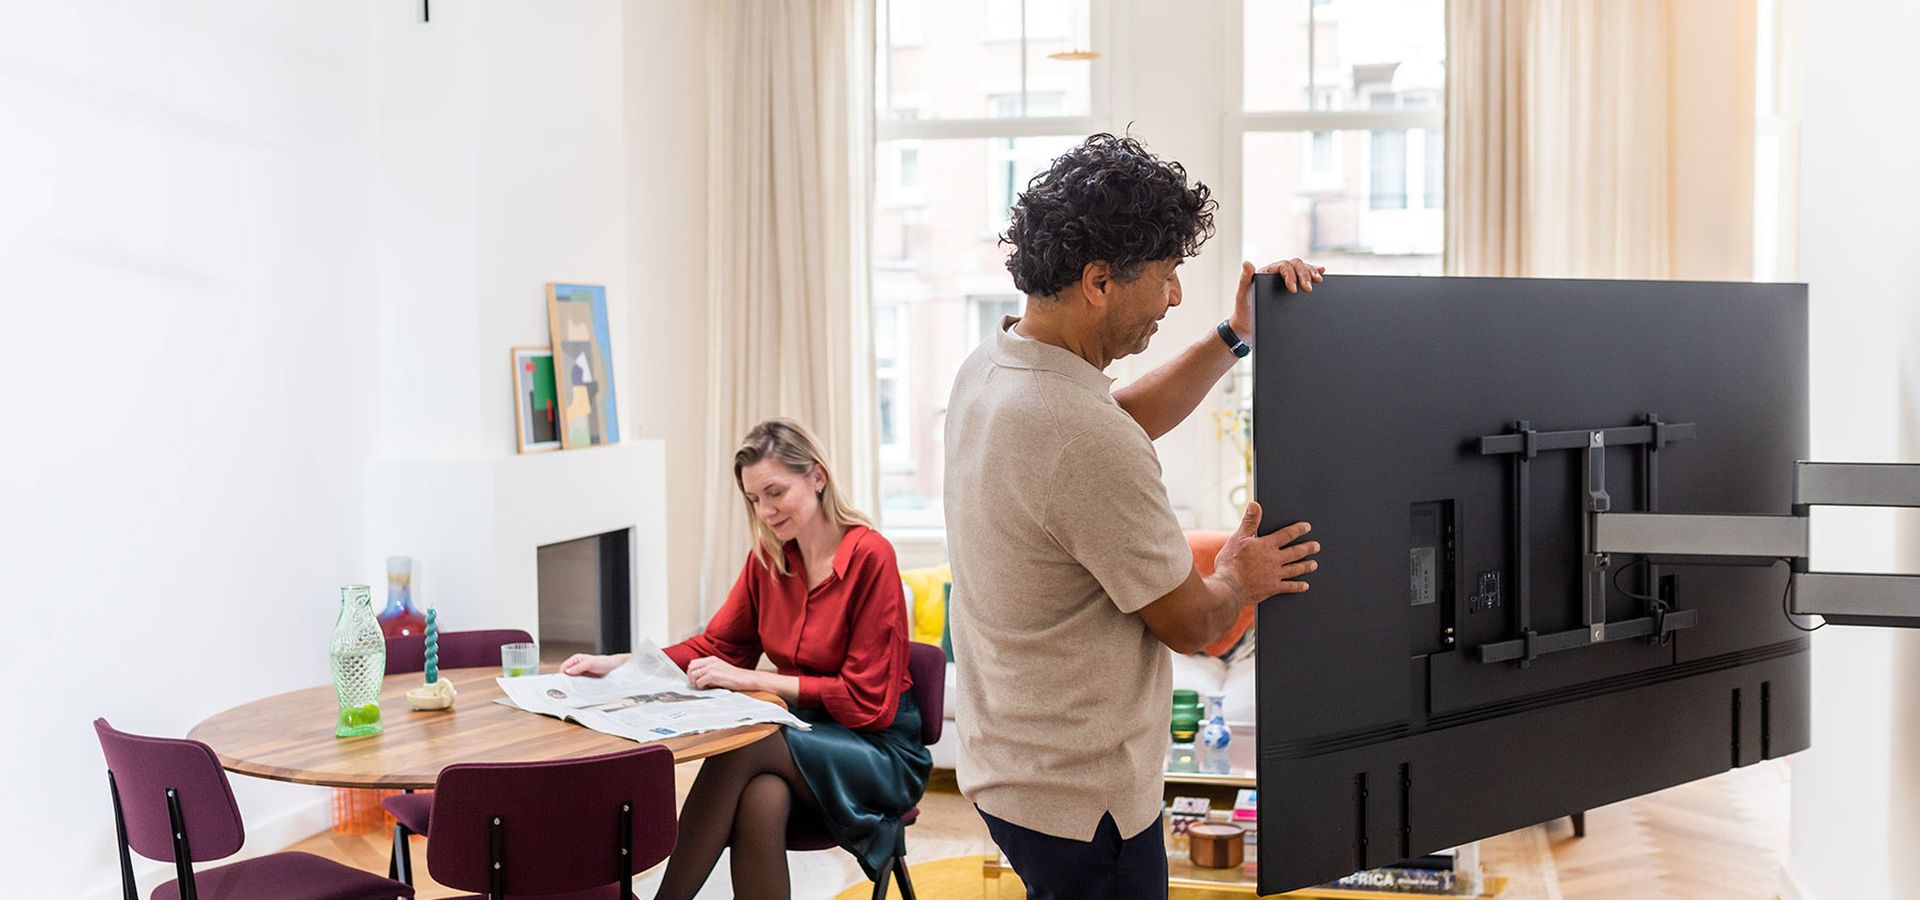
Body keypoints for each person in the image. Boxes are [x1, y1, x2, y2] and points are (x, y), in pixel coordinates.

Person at [943, 132, 1326, 898]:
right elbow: (1192, 625)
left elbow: (1115, 419)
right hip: (1085, 805)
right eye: (1167, 273)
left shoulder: (994, 366)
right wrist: (1237, 576)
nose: (1176, 295)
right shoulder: (1078, 435)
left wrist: (1237, 335)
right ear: (1097, 281)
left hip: (1012, 772)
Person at [560, 418, 929, 900]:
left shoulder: (869, 557)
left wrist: (751, 680)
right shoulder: (769, 559)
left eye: (776, 492)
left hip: (879, 753)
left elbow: (868, 703)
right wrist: (622, 663)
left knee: (747, 742)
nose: (766, 510)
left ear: (817, 477)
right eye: (755, 499)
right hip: (805, 740)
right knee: (762, 799)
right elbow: (715, 646)